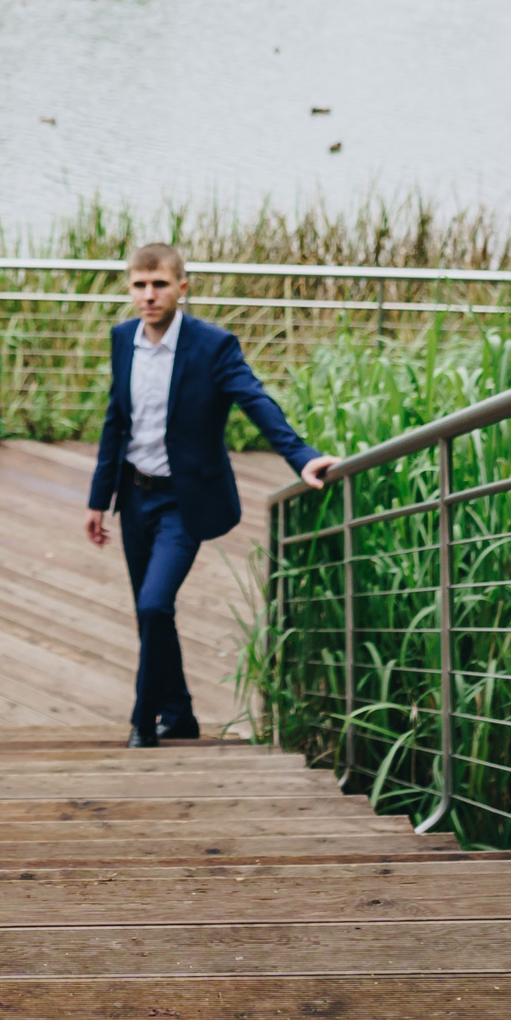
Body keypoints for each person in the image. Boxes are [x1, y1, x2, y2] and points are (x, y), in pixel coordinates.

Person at [85, 244, 337, 747]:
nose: (149, 295)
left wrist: (301, 455)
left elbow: (255, 400)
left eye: (159, 284)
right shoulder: (122, 339)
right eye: (139, 284)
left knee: (155, 606)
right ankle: (179, 714)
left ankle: (144, 720)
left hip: (185, 501)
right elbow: (118, 421)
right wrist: (99, 498)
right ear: (129, 288)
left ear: (182, 285)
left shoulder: (213, 345)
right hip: (135, 498)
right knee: (150, 610)